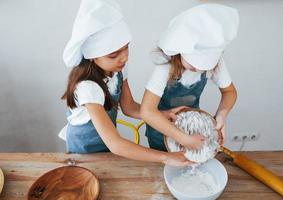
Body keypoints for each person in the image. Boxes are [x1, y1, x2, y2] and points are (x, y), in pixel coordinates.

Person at [59, 0, 191, 167]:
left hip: (106, 141)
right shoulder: (87, 88)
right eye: (114, 55)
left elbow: (129, 107)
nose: (124, 57)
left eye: (126, 47)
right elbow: (116, 144)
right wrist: (165, 157)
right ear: (93, 56)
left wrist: (162, 114)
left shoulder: (118, 69)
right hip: (84, 149)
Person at [141, 4, 239, 151]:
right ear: (180, 51)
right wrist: (182, 139)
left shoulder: (216, 63)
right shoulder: (165, 66)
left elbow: (230, 92)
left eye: (205, 67)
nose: (199, 69)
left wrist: (221, 116)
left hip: (192, 125)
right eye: (193, 66)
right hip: (161, 128)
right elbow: (147, 111)